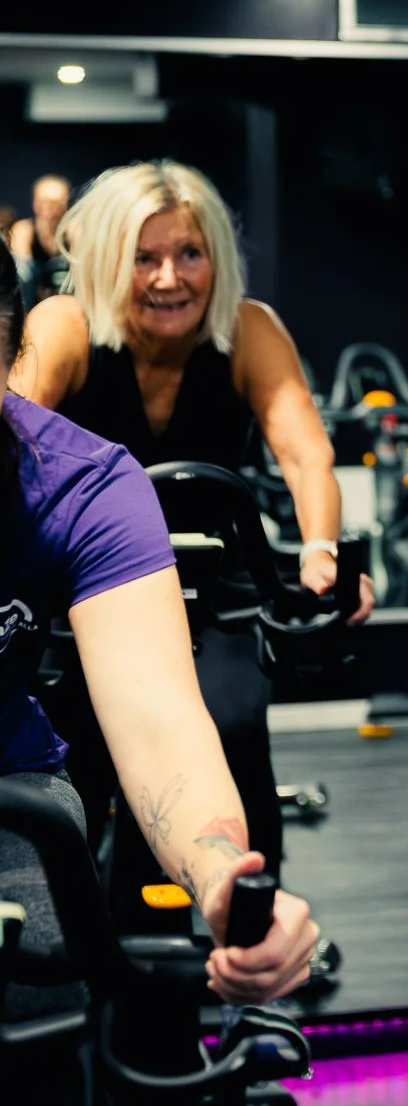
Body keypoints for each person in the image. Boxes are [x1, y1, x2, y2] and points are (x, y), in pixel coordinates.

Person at [8, 160, 374, 924]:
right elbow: (16, 438)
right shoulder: (65, 325)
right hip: (86, 590)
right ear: (110, 259)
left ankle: (250, 922)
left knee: (232, 726)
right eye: (145, 257)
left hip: (218, 585)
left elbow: (305, 454)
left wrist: (321, 553)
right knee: (77, 749)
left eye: (190, 254)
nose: (169, 278)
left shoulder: (247, 330)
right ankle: (84, 936)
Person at [0, 247, 318, 1021]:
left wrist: (220, 877)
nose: (168, 276)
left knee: (38, 1006)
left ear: (10, 364)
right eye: (145, 257)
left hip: (10, 795)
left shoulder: (80, 483)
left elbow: (159, 724)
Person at [11, 174, 69, 305]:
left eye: (56, 203)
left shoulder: (73, 232)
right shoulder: (24, 231)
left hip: (67, 306)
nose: (49, 208)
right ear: (35, 203)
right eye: (43, 202)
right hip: (32, 306)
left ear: (65, 204)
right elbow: (22, 277)